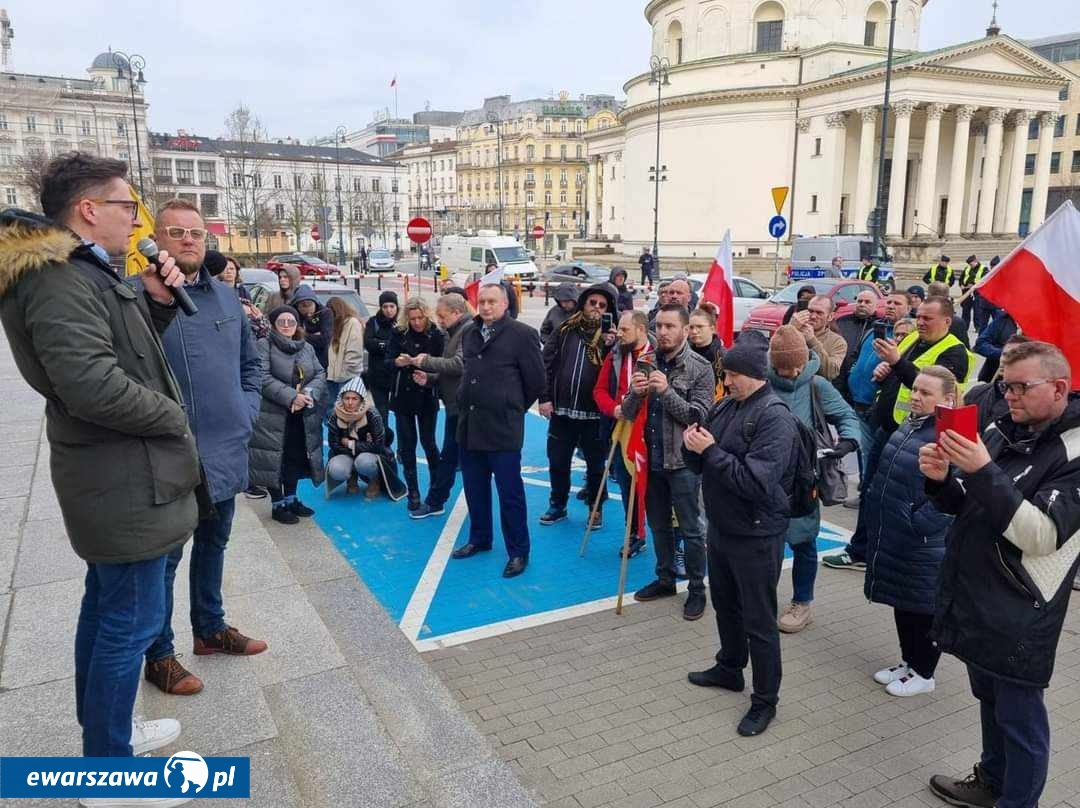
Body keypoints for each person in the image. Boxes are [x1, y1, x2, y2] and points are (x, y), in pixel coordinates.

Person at [0, 154, 198, 779]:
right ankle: (110, 771)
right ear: (89, 210)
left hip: (122, 470)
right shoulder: (58, 278)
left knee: (109, 609)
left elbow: (123, 347)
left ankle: (110, 737)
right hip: (121, 474)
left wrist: (160, 302)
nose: (136, 219)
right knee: (128, 621)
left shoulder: (87, 271)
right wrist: (174, 417)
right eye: (127, 207)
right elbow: (91, 385)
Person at [920, 341, 1080, 808]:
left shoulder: (1073, 451)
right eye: (1005, 385)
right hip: (977, 595)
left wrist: (984, 470)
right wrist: (941, 480)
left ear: (1059, 388)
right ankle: (990, 782)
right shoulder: (1003, 428)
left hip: (1022, 609)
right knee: (989, 701)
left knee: (1020, 719)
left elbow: (1042, 535)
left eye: (1021, 387)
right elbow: (970, 504)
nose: (1009, 396)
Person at [142, 197, 267, 699]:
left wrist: (245, 413)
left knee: (214, 545)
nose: (189, 240)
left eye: (197, 233)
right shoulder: (137, 298)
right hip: (171, 457)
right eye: (176, 232)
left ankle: (210, 629)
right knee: (165, 561)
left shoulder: (225, 299)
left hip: (225, 450)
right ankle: (158, 655)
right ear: (157, 239)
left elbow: (250, 367)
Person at [683, 330, 800, 737]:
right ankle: (730, 667)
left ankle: (765, 701)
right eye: (725, 374)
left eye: (732, 374)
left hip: (757, 534)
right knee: (726, 605)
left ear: (753, 373)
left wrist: (710, 451)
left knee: (760, 621)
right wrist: (692, 445)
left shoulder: (774, 416)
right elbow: (703, 463)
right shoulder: (726, 406)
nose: (726, 381)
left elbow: (755, 483)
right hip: (724, 527)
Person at [824, 295, 969, 570]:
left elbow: (937, 391)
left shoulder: (955, 351)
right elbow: (899, 371)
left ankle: (872, 551)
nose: (921, 323)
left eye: (928, 318)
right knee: (872, 489)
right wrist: (885, 369)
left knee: (902, 496)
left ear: (947, 321)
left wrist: (897, 362)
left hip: (921, 434)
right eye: (919, 317)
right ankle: (862, 550)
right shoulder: (913, 338)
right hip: (891, 427)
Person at [864, 366, 957, 697]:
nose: (915, 396)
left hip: (922, 542)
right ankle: (909, 663)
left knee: (922, 610)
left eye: (925, 393)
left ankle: (925, 672)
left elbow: (953, 497)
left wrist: (919, 523)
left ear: (947, 399)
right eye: (915, 389)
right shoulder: (913, 423)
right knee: (904, 604)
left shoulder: (952, 435)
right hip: (899, 534)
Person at [622, 304, 715, 620]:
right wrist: (634, 394)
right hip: (652, 459)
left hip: (684, 462)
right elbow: (630, 412)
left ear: (686, 330)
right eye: (658, 326)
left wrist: (666, 393)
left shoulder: (701, 367)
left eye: (669, 326)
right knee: (658, 525)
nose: (662, 332)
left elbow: (699, 416)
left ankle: (697, 590)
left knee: (691, 530)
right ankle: (665, 579)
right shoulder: (645, 361)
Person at [767, 326, 860, 633]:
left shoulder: (816, 385)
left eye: (793, 366)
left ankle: (802, 602)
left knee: (804, 542)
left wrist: (847, 441)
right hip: (766, 479)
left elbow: (847, 416)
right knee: (766, 543)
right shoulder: (763, 383)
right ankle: (762, 598)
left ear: (803, 360)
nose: (789, 373)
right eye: (782, 367)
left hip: (805, 481)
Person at [450, 283, 544, 578]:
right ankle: (480, 538)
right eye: (482, 301)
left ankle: (518, 551)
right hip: (470, 427)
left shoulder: (523, 335)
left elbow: (536, 382)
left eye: (492, 301)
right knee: (474, 490)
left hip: (503, 429)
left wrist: (511, 405)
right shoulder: (470, 331)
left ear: (505, 304)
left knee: (510, 494)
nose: (486, 307)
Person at [538, 282, 618, 527]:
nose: (596, 308)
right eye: (592, 302)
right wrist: (545, 397)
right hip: (562, 410)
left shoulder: (614, 338)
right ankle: (558, 504)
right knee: (558, 461)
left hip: (595, 414)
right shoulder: (565, 329)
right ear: (583, 303)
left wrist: (612, 345)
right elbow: (546, 363)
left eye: (602, 305)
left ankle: (595, 508)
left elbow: (618, 374)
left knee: (596, 466)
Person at [248, 305, 326, 524]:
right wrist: (292, 397)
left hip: (300, 414)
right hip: (273, 414)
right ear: (273, 324)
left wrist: (309, 394)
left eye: (291, 322)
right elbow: (261, 377)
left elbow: (320, 373)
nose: (286, 326)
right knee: (274, 458)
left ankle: (291, 497)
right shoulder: (263, 345)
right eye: (281, 322)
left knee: (294, 456)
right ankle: (277, 502)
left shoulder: (306, 348)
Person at [593, 310, 655, 558]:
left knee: (659, 490)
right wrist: (614, 409)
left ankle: (673, 542)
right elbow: (598, 391)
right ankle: (635, 534)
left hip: (652, 432)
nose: (619, 334)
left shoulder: (657, 355)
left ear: (641, 330)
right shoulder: (616, 355)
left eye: (625, 330)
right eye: (619, 328)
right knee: (628, 485)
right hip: (622, 430)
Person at [406, 292, 470, 518]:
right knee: (452, 455)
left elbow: (460, 364)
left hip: (465, 406)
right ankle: (436, 500)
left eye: (442, 316)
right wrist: (431, 378)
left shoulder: (466, 331)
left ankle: (436, 500)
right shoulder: (454, 332)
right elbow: (452, 369)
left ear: (456, 313)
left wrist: (426, 361)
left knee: (454, 455)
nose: (439, 321)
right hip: (457, 405)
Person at [388, 297, 444, 510]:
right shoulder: (399, 333)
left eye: (420, 317)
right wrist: (397, 362)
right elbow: (387, 362)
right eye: (413, 318)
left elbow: (443, 365)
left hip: (427, 393)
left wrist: (428, 367)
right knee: (407, 445)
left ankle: (436, 489)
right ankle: (413, 491)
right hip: (403, 395)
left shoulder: (436, 334)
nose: (417, 322)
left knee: (429, 443)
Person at [325, 376, 398, 499]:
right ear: (341, 398)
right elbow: (334, 444)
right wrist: (357, 448)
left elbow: (379, 445)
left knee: (364, 463)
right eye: (346, 398)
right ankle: (351, 475)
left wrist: (351, 444)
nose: (350, 402)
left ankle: (374, 479)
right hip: (347, 452)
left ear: (361, 400)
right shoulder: (334, 415)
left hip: (368, 455)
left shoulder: (372, 414)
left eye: (354, 398)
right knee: (336, 469)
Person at [965, 333, 1032, 431]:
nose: (1005, 360)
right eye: (1004, 354)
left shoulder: (1028, 404)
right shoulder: (977, 393)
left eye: (1013, 356)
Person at [834, 288, 877, 403]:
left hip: (863, 386)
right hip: (839, 377)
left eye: (867, 302)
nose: (862, 304)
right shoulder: (842, 321)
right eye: (860, 301)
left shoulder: (879, 326)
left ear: (875, 305)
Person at [790, 295, 847, 381]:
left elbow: (831, 373)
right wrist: (790, 329)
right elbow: (771, 358)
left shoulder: (838, 342)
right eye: (810, 311)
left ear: (830, 316)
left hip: (814, 391)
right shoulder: (794, 330)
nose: (813, 316)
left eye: (819, 313)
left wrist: (812, 341)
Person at [364, 290, 399, 428]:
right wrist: (386, 344)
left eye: (392, 306)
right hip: (377, 375)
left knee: (401, 413)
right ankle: (383, 442)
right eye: (385, 307)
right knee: (381, 412)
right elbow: (368, 343)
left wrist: (380, 343)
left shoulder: (401, 323)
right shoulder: (374, 322)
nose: (389, 310)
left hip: (396, 375)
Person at [324, 296, 365, 407]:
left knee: (347, 408)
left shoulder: (352, 323)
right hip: (334, 375)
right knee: (333, 407)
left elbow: (354, 348)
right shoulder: (336, 324)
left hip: (347, 375)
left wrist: (349, 368)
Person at [290, 284, 334, 373]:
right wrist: (315, 336)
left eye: (309, 306)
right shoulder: (292, 313)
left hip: (321, 360)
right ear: (297, 306)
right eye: (303, 307)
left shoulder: (325, 313)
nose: (308, 312)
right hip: (298, 361)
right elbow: (292, 339)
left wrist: (303, 334)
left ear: (315, 303)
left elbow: (325, 340)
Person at [688, 307, 725, 400]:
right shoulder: (683, 354)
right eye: (691, 327)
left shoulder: (723, 357)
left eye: (700, 327)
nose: (694, 331)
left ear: (712, 329)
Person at [974, 308, 1018, 382]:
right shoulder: (1003, 319)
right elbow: (980, 344)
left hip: (1020, 381)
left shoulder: (1038, 325)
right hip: (993, 376)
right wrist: (1003, 353)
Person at [926, 281, 970, 347]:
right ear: (947, 296)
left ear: (929, 296)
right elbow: (965, 347)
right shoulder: (957, 322)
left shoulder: (921, 317)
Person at [959, 254, 988, 331]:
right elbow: (961, 278)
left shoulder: (984, 269)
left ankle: (977, 327)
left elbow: (984, 280)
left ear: (975, 261)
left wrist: (974, 285)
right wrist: (961, 284)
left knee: (977, 311)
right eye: (969, 264)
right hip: (967, 292)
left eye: (971, 264)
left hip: (977, 293)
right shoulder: (967, 268)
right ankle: (964, 326)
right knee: (965, 311)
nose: (970, 266)